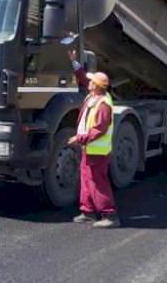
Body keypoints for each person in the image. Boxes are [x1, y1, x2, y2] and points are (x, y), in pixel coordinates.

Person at [67, 50, 119, 229]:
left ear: (96, 85)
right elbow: (82, 78)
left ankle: (110, 215)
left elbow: (99, 129)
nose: (87, 82)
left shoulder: (103, 104)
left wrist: (80, 138)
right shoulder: (93, 95)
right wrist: (74, 62)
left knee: (97, 182)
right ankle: (87, 211)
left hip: (96, 151)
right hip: (88, 149)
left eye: (91, 81)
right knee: (86, 180)